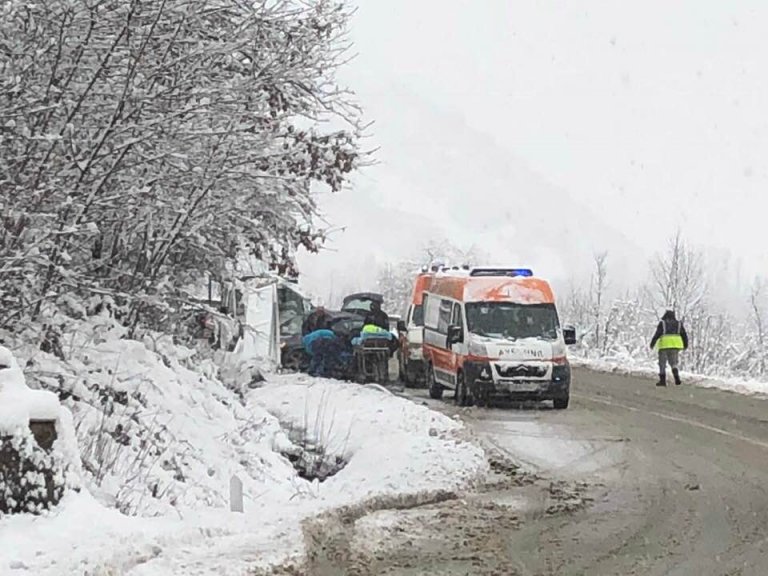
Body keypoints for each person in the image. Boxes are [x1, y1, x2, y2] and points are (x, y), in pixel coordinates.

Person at [649, 309, 689, 387]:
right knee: (674, 363)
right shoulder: (679, 324)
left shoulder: (663, 323)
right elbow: (684, 335)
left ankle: (662, 381)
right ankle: (677, 379)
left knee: (662, 364)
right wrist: (685, 344)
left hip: (664, 346)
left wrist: (652, 343)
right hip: (675, 346)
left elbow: (657, 334)